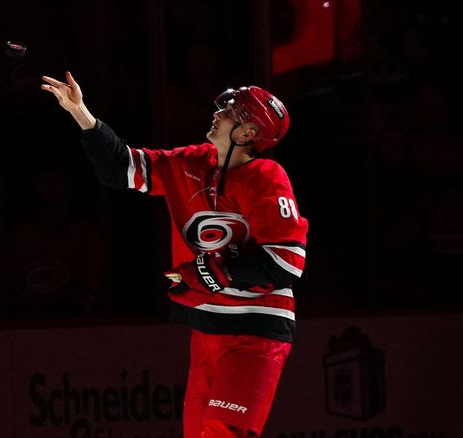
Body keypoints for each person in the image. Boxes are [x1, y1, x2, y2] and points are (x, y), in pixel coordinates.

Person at [41, 71, 308, 438]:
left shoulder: (267, 177)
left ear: (247, 134)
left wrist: (205, 273)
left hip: (257, 330)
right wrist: (82, 115)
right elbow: (120, 168)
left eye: (231, 110)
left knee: (222, 432)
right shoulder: (191, 162)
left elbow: (284, 263)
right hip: (208, 327)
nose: (219, 112)